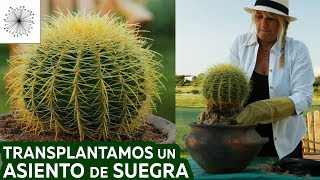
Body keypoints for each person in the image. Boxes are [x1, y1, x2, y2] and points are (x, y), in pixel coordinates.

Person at [228, 0, 315, 159]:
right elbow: (229, 88)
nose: (263, 24)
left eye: (271, 19)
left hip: (285, 143)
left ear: (283, 22)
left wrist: (260, 110)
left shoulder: (297, 50)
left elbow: (303, 97)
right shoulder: (240, 44)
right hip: (242, 139)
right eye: (259, 16)